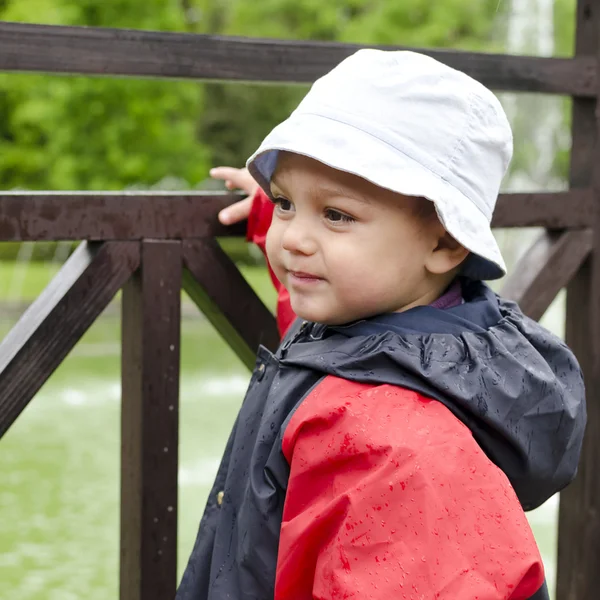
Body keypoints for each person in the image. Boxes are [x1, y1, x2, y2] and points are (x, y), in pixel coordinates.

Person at [177, 50, 586, 600]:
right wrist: (284, 213)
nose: (293, 238)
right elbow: (311, 343)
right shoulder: (375, 330)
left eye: (337, 215)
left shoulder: (395, 448)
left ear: (443, 243)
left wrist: (299, 207)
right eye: (285, 203)